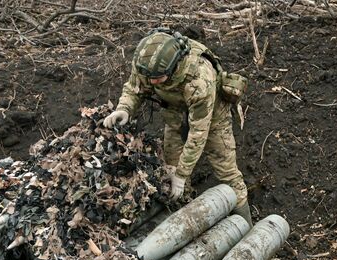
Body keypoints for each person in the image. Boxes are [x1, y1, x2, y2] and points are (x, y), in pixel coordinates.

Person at [103, 29, 252, 227]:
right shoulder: (146, 62)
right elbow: (134, 88)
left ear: (174, 67)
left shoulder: (199, 79)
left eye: (158, 78)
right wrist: (124, 109)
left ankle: (246, 225)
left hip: (212, 117)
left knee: (227, 172)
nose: (153, 82)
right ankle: (187, 218)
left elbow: (199, 133)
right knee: (171, 170)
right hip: (174, 114)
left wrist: (183, 173)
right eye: (150, 77)